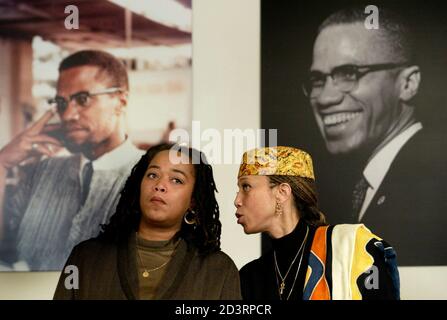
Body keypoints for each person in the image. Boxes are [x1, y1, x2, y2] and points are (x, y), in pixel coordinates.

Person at [303, 5, 447, 265]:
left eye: (349, 74)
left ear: (407, 84)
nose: (325, 97)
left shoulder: (432, 186)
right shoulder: (359, 185)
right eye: (317, 80)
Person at [0, 50, 145, 270]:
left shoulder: (151, 178)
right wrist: (2, 164)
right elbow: (4, 251)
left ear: (121, 102)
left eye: (82, 99)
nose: (67, 115)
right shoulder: (41, 172)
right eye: (61, 102)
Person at [53, 143, 241, 299]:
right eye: (152, 175)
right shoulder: (85, 258)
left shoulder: (219, 270)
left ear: (193, 201)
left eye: (176, 180)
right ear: (139, 186)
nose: (159, 185)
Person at [236, 146, 400, 300]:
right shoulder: (249, 276)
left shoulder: (355, 248)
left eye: (246, 187)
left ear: (282, 192)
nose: (237, 200)